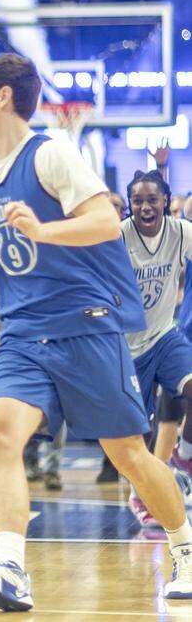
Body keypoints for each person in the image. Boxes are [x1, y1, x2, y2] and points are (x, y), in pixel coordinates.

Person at [0, 52, 192, 611]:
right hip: (21, 330)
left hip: (83, 325)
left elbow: (106, 221)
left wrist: (44, 229)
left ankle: (186, 547)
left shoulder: (52, 152)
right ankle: (11, 564)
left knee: (129, 453)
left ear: (4, 96)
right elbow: (21, 247)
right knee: (0, 433)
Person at [119, 170, 192, 525]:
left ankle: (184, 455)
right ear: (130, 205)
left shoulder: (181, 233)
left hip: (164, 335)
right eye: (138, 201)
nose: (145, 206)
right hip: (124, 346)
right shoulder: (117, 236)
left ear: (166, 201)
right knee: (136, 436)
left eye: (152, 199)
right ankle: (139, 492)